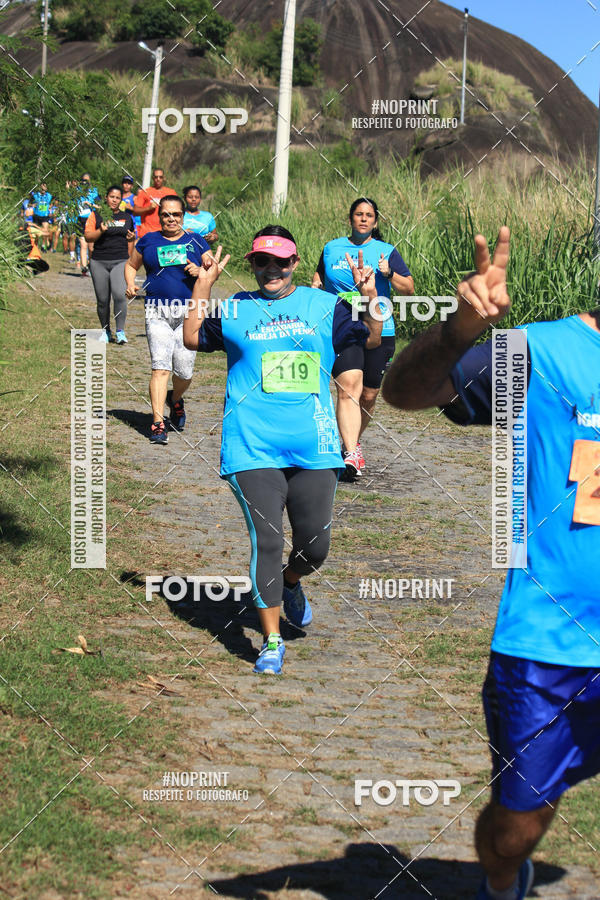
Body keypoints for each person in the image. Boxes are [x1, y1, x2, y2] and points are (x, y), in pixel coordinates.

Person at [381, 226, 600, 900]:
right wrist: (458, 332)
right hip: (552, 641)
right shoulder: (546, 354)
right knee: (517, 827)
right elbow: (406, 393)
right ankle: (503, 877)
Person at [183, 225, 383, 675]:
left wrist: (371, 298)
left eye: (280, 261)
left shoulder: (326, 305)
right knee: (268, 539)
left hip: (314, 445)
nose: (270, 269)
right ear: (253, 265)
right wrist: (203, 285)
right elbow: (191, 337)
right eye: (261, 261)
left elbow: (369, 338)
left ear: (295, 263)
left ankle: (292, 582)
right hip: (252, 445)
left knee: (315, 547)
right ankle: (271, 640)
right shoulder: (235, 308)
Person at [312, 197, 414, 480]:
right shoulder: (332, 248)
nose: (364, 219)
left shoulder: (386, 251)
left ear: (376, 222)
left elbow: (408, 288)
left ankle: (352, 441)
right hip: (342, 325)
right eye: (359, 214)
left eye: (369, 215)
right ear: (351, 219)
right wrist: (315, 286)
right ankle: (349, 449)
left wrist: (389, 273)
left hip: (379, 327)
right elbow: (319, 276)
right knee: (348, 387)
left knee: (368, 395)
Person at [124, 194, 210, 443]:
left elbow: (212, 266)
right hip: (157, 311)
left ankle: (175, 399)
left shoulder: (196, 240)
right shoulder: (148, 241)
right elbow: (131, 265)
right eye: (166, 214)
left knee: (184, 370)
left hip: (188, 313)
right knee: (161, 367)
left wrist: (201, 269)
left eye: (176, 214)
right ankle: (158, 423)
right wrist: (131, 284)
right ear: (159, 216)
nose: (171, 219)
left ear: (183, 216)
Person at [85, 185, 136, 344]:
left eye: (118, 198)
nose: (114, 200)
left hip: (120, 260)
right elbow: (88, 237)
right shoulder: (96, 215)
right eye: (112, 197)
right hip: (99, 261)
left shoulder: (127, 217)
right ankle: (106, 331)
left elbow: (131, 239)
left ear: (121, 200)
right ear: (106, 197)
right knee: (102, 299)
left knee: (120, 295)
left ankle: (120, 331)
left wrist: (131, 241)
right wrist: (101, 230)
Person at [131, 168, 176, 238]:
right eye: (156, 177)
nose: (158, 179)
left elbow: (178, 211)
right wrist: (148, 208)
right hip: (147, 233)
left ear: (164, 178)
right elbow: (135, 211)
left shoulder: (171, 192)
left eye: (160, 177)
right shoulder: (145, 192)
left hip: (166, 233)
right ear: (152, 178)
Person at [76, 174, 100, 275]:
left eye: (87, 181)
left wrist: (90, 204)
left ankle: (91, 265)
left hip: (91, 219)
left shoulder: (94, 192)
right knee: (83, 244)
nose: (85, 183)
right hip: (80, 219)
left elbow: (99, 206)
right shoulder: (77, 191)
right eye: (83, 181)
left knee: (91, 246)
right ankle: (84, 268)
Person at [119, 174, 141, 247]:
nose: (126, 185)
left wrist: (131, 208)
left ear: (132, 186)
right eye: (125, 183)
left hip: (131, 225)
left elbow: (140, 212)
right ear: (122, 184)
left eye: (129, 183)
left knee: (131, 246)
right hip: (119, 224)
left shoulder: (134, 198)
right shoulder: (118, 196)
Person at [31, 182, 53, 250]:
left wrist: (50, 208)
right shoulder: (35, 195)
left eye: (45, 187)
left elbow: (54, 202)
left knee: (45, 230)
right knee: (36, 232)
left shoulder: (49, 196)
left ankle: (43, 245)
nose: (43, 189)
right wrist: (32, 205)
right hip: (37, 215)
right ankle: (35, 246)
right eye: (42, 187)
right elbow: (29, 203)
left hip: (45, 216)